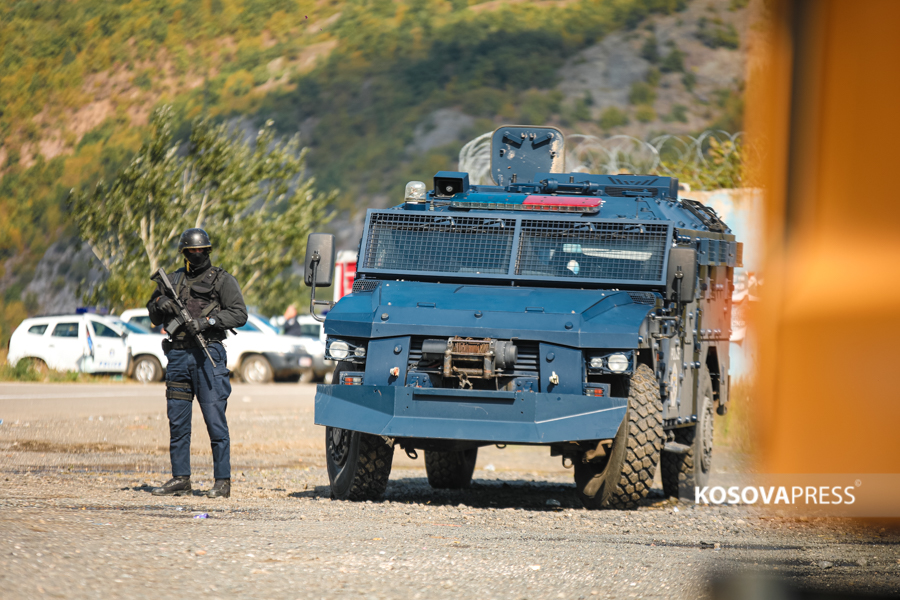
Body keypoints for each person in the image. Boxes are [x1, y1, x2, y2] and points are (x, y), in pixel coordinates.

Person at [147, 228, 248, 498]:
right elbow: (153, 314)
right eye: (191, 251)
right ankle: (181, 478)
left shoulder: (222, 280)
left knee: (215, 420)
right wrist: (161, 302)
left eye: (201, 250)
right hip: (178, 356)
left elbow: (239, 314)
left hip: (208, 355)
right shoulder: (174, 279)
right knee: (178, 422)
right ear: (184, 253)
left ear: (208, 252)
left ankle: (222, 481)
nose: (196, 254)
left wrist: (207, 322)